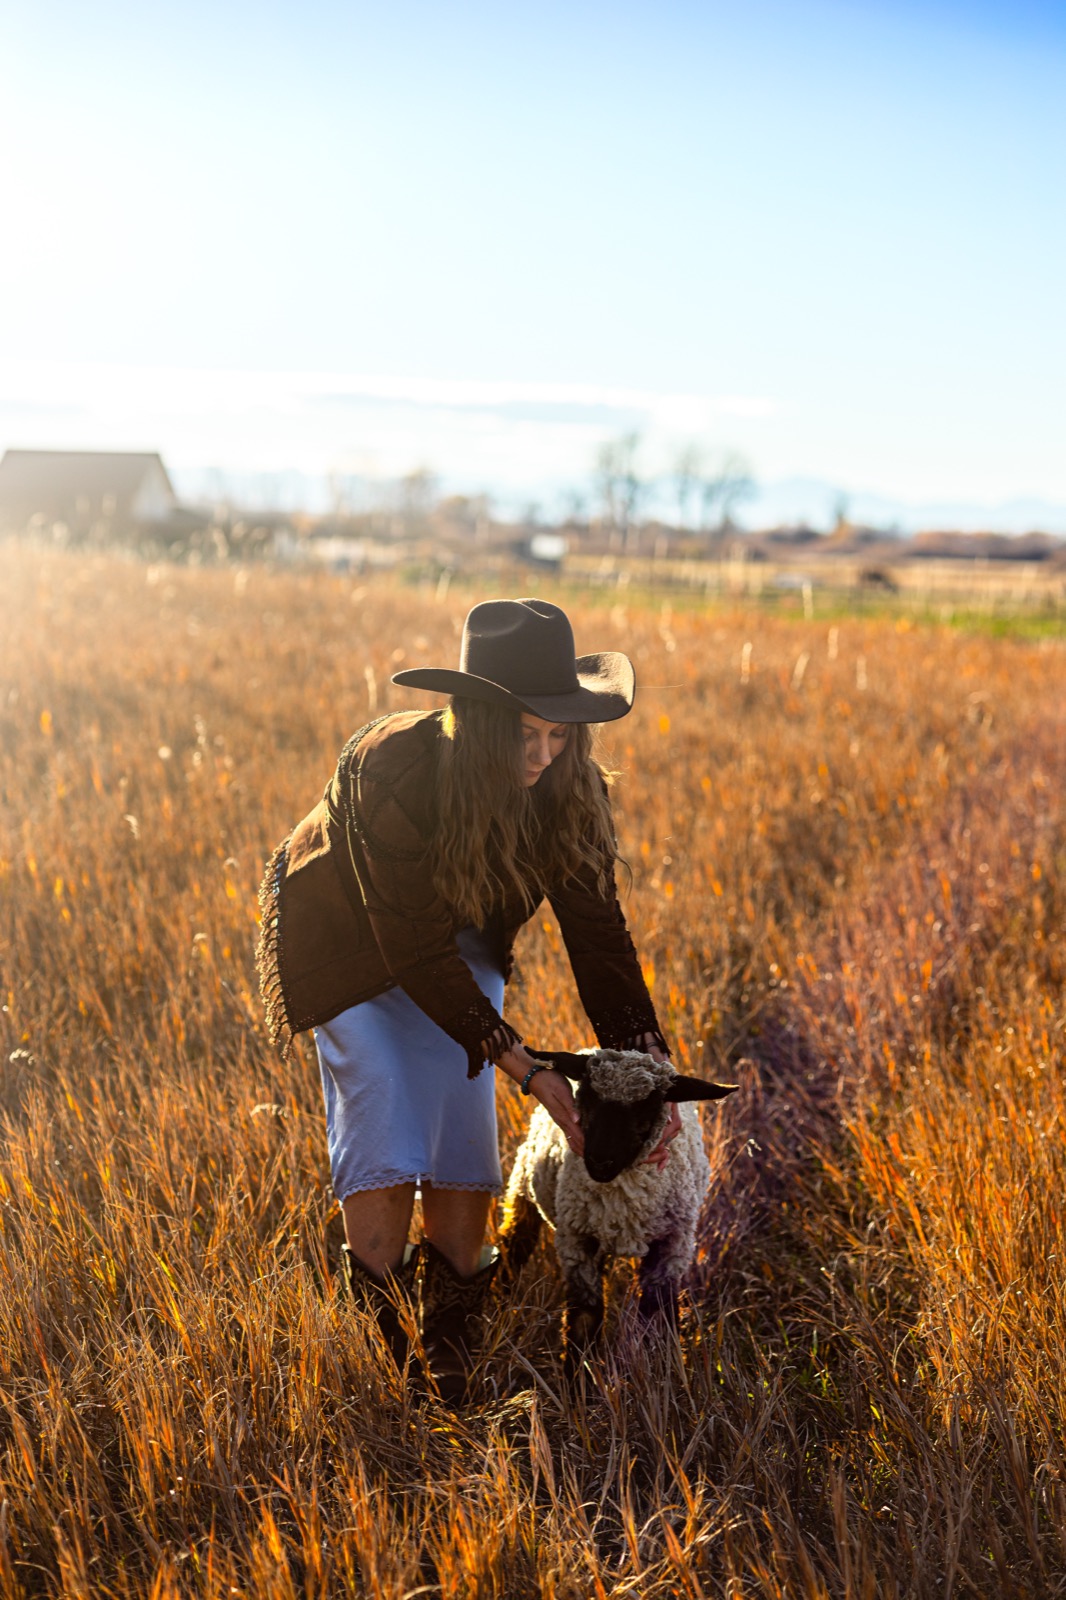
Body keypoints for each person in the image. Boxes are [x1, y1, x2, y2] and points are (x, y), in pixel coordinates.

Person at [256, 597, 678, 1399]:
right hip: (350, 945)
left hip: (459, 943)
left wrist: (649, 1064)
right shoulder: (391, 770)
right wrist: (533, 1071)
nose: (544, 755)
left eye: (560, 735)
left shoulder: (567, 787)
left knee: (459, 1099)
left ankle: (453, 1318)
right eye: (526, 736)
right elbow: (409, 948)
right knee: (381, 1099)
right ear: (477, 722)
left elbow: (599, 936)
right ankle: (389, 1330)